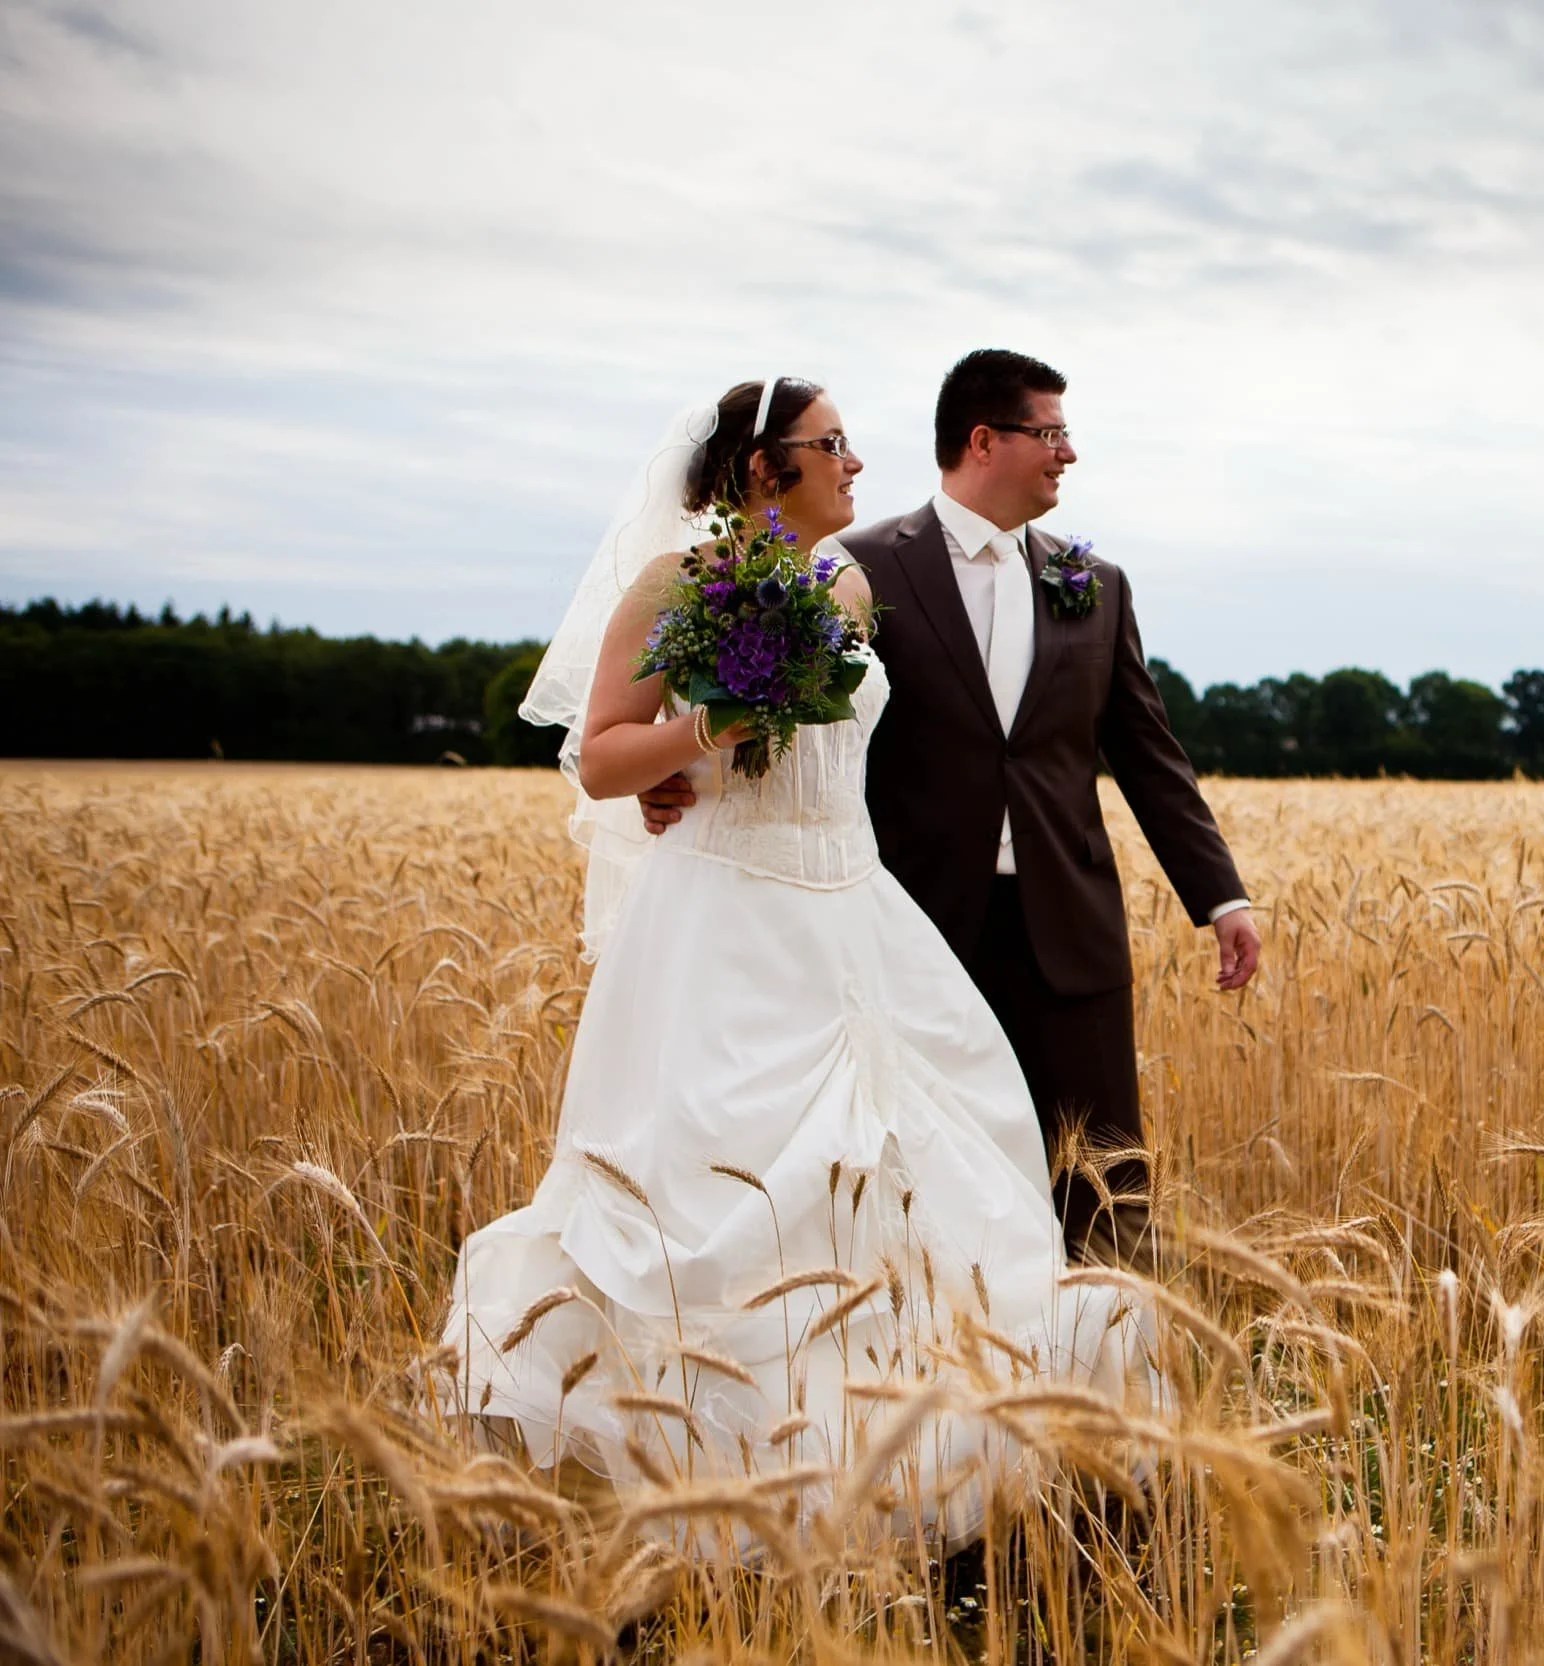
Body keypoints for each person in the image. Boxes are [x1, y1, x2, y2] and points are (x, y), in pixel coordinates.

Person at [437, 376, 1152, 1554]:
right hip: (728, 920)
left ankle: (892, 1455)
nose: (856, 462)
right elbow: (601, 757)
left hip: (856, 913)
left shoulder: (849, 586)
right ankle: (714, 1470)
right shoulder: (672, 586)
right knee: (730, 1193)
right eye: (832, 444)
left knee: (922, 1169)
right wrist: (705, 731)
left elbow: (903, 741)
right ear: (766, 468)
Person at [640, 350, 1259, 1267]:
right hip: (913, 927)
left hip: (1070, 928)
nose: (1068, 453)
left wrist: (1221, 897)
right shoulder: (850, 568)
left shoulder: (1096, 583)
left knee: (1103, 1183)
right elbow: (779, 720)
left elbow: (1148, 754)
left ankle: (1117, 1346)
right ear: (984, 441)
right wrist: (677, 772)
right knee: (934, 1186)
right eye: (1050, 432)